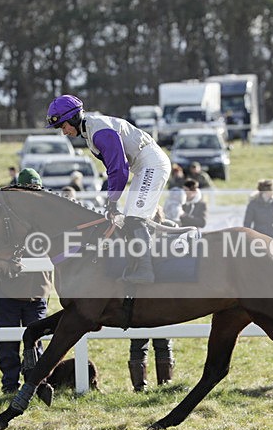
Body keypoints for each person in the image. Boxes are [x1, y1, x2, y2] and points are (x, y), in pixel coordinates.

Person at [45, 94, 171, 284]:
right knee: (131, 219)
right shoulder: (89, 130)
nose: (64, 132)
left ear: (73, 118)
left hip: (151, 164)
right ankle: (144, 261)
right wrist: (111, 200)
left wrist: (112, 202)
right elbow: (115, 170)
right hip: (144, 166)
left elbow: (119, 169)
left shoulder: (99, 132)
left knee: (134, 218)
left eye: (63, 126)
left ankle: (145, 271)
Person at [0, 169, 54, 397]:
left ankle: (35, 384)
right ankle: (10, 386)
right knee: (8, 344)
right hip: (6, 294)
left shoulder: (48, 222)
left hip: (37, 292)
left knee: (36, 344)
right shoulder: (1, 221)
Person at [127, 206, 177, 391]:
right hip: (145, 293)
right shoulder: (133, 233)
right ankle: (147, 385)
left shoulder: (167, 229)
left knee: (155, 341)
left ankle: (157, 384)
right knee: (143, 341)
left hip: (153, 292)